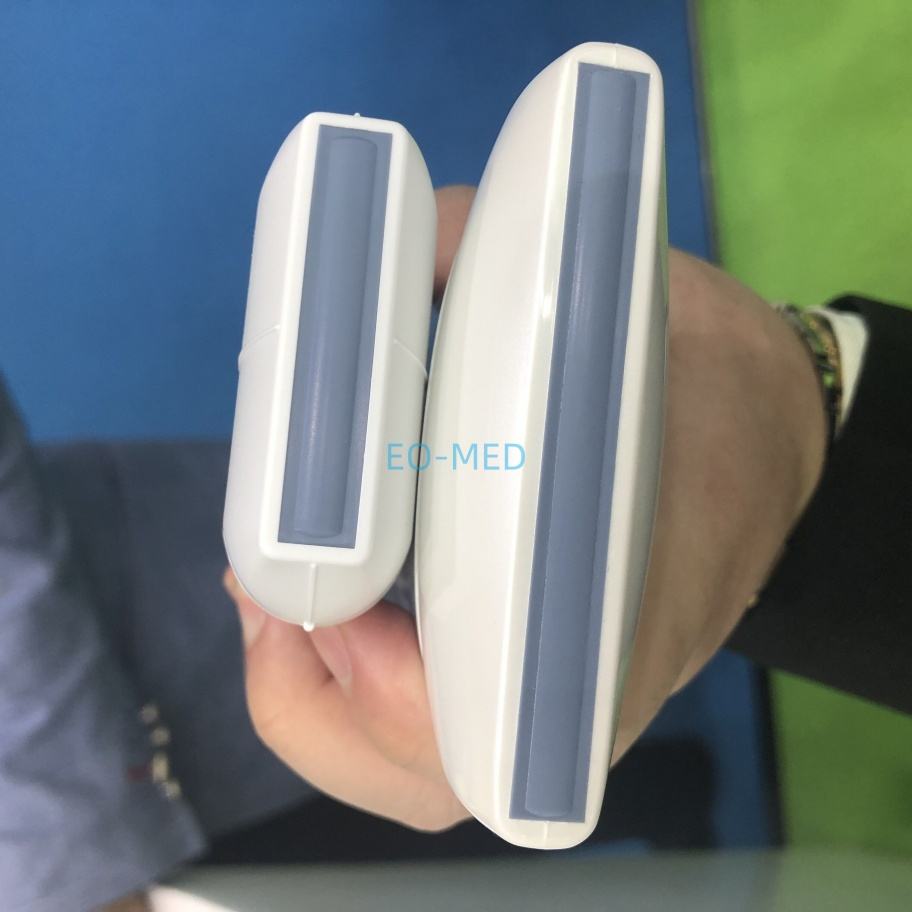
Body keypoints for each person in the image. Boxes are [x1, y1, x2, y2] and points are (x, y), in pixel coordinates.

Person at [1, 188, 909, 912]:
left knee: (514, 657)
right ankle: (669, 784)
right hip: (209, 798)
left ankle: (672, 773)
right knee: (482, 781)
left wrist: (73, 847)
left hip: (160, 664)